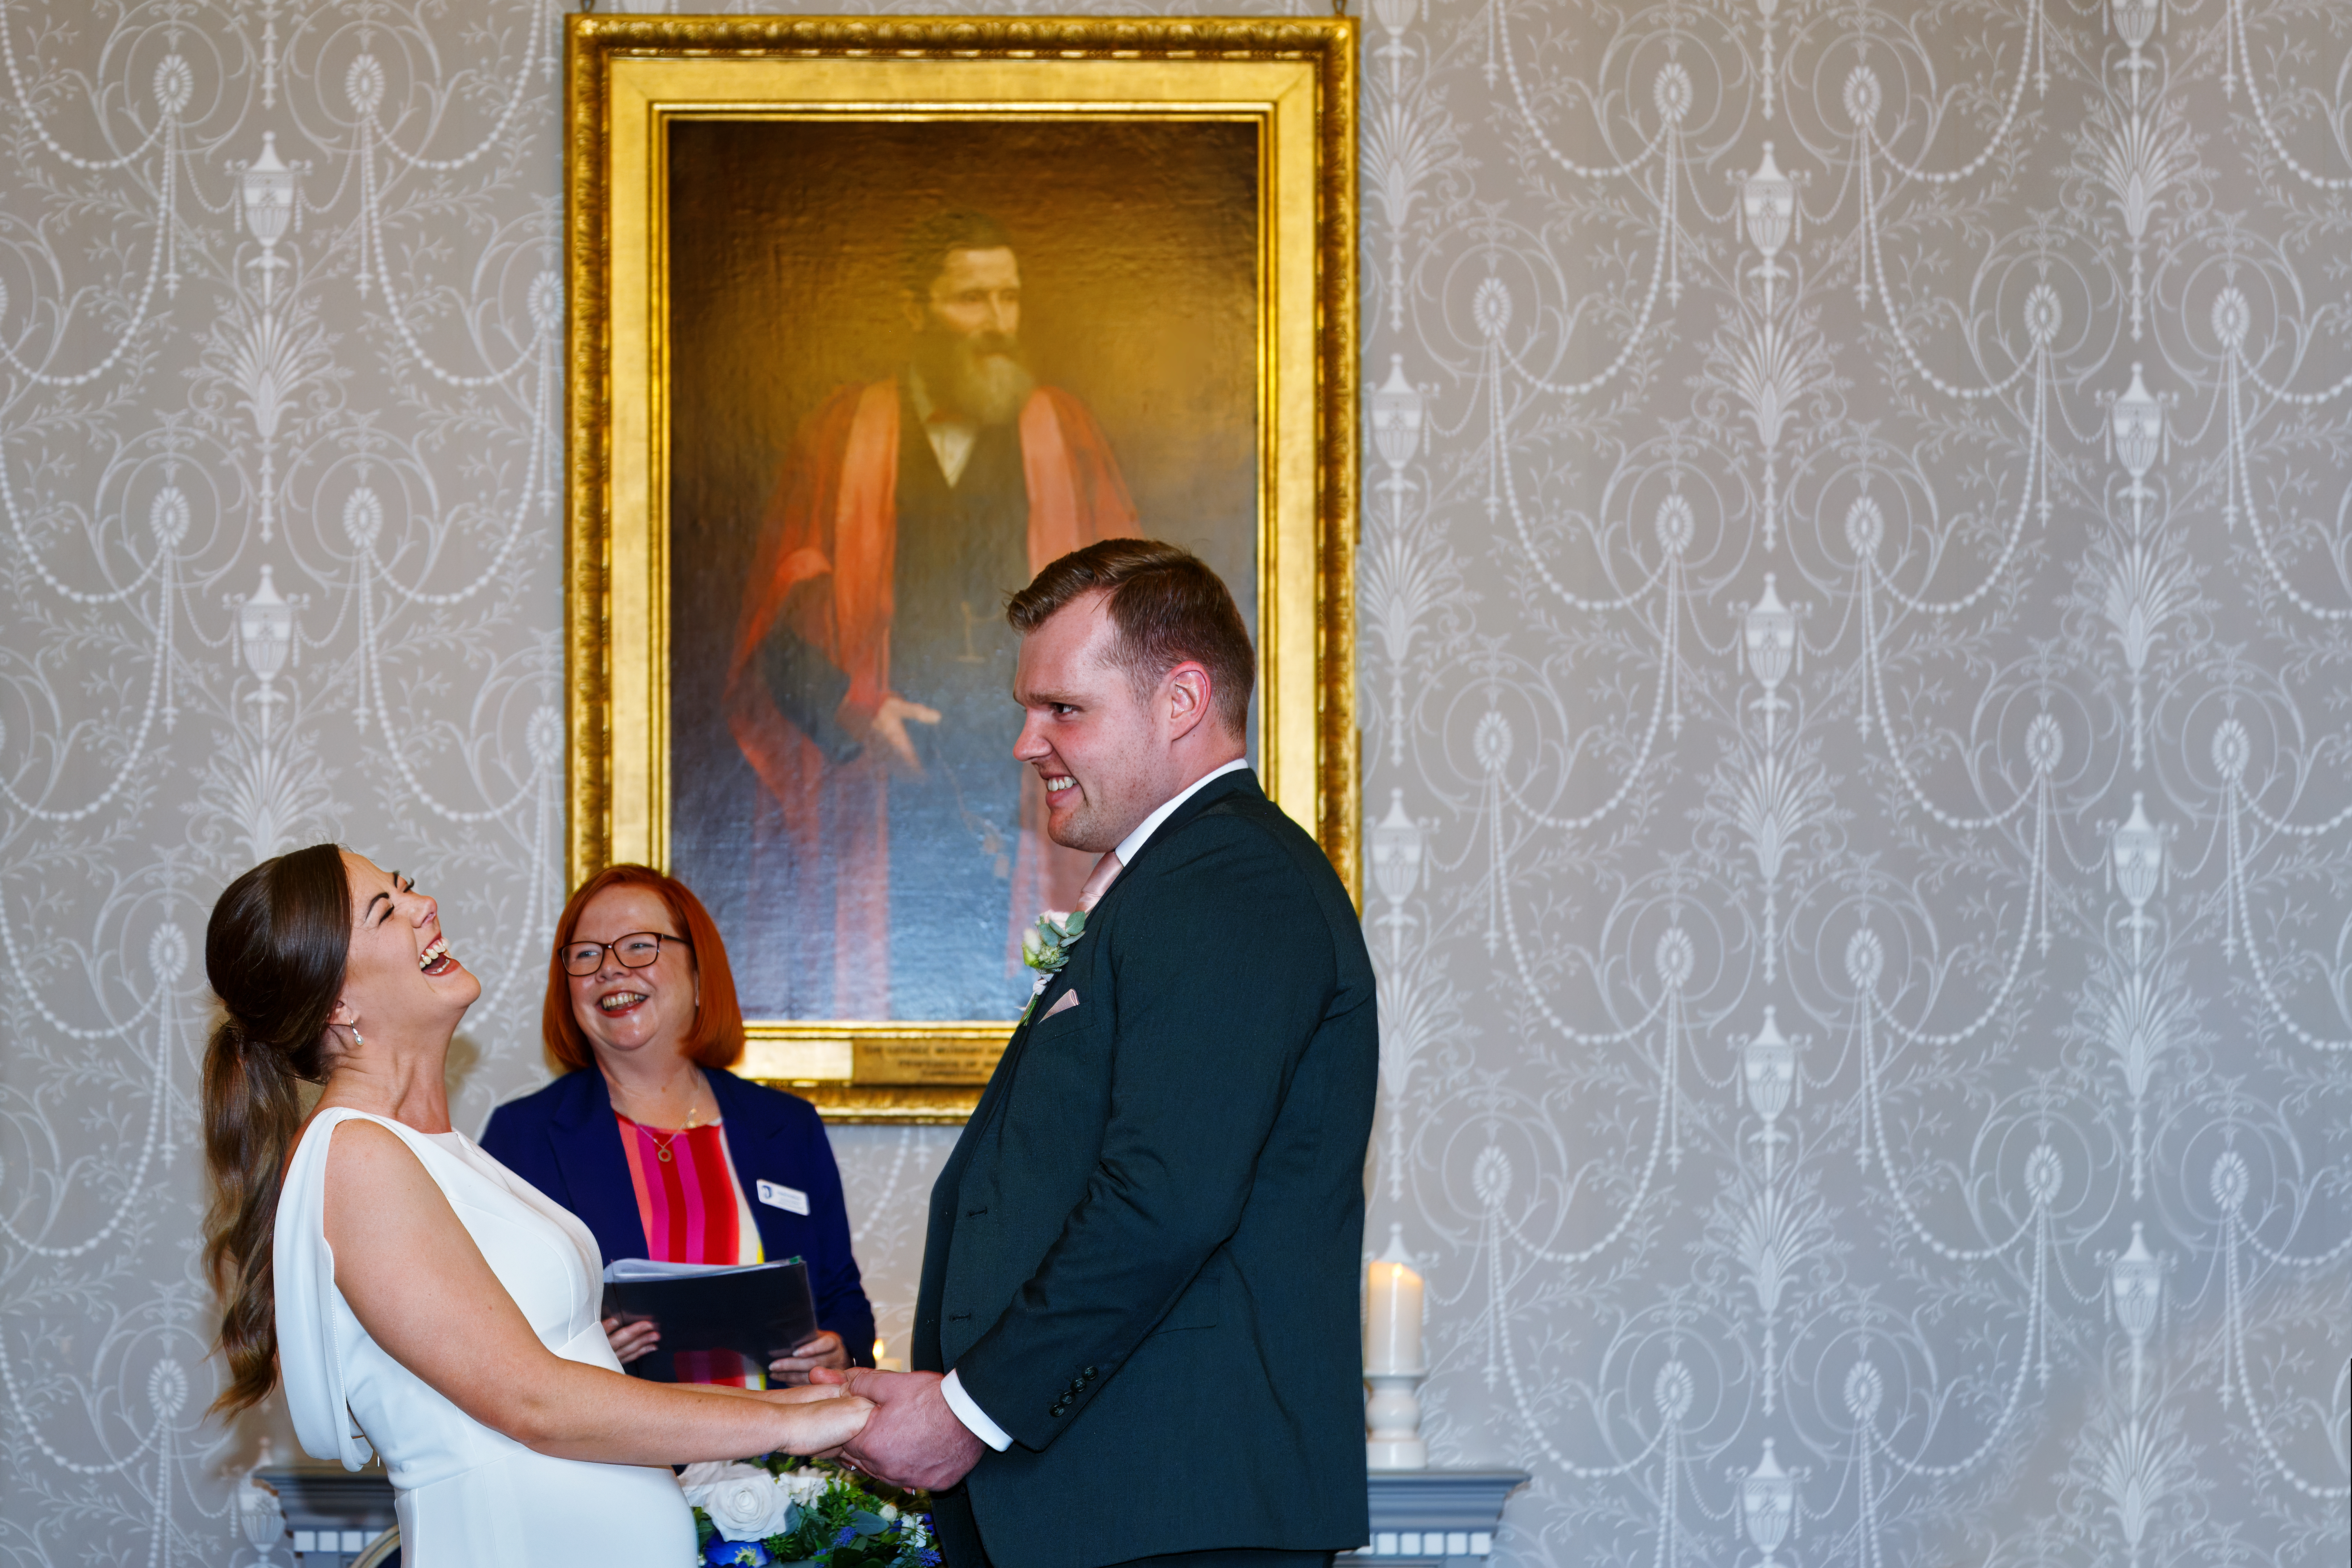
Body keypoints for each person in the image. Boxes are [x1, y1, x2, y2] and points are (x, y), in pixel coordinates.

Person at [817, 540, 1379, 1567]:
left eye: (1063, 709)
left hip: (1166, 1512)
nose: (1027, 742)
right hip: (1114, 1505)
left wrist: (967, 1411)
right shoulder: (1180, 880)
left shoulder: (1231, 884)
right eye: (1026, 709)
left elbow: (1161, 1200)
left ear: (1180, 698)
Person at [199, 846, 869, 1567]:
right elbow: (535, 1405)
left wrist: (809, 1405)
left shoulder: (443, 1150)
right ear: (337, 1002)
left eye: (408, 889)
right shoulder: (355, 1153)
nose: (425, 907)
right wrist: (792, 1421)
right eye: (386, 911)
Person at [726, 207, 1140, 1021]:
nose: (996, 323)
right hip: (876, 772)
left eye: (1008, 299)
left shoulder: (1061, 431)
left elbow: (1130, 628)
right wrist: (859, 711)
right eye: (971, 300)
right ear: (919, 310)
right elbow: (778, 623)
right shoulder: (843, 434)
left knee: (1042, 1010)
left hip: (1031, 773)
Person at [481, 863, 876, 1385]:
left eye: (640, 946)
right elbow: (488, 1330)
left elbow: (843, 1300)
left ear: (698, 974)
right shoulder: (521, 1139)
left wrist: (838, 1352)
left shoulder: (787, 1128)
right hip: (619, 1460)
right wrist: (581, 1356)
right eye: (586, 954)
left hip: (779, 1453)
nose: (610, 969)